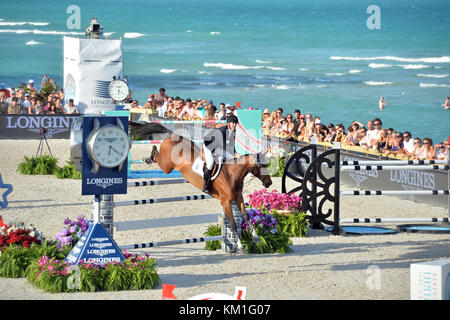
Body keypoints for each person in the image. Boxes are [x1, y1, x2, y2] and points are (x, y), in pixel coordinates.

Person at [201, 115, 240, 193]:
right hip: (209, 146)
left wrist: (235, 153)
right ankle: (206, 184)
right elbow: (223, 146)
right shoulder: (221, 131)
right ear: (228, 123)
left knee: (230, 160)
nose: (234, 125)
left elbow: (231, 145)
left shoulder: (233, 131)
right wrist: (234, 154)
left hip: (218, 147)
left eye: (235, 123)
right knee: (210, 164)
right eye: (233, 123)